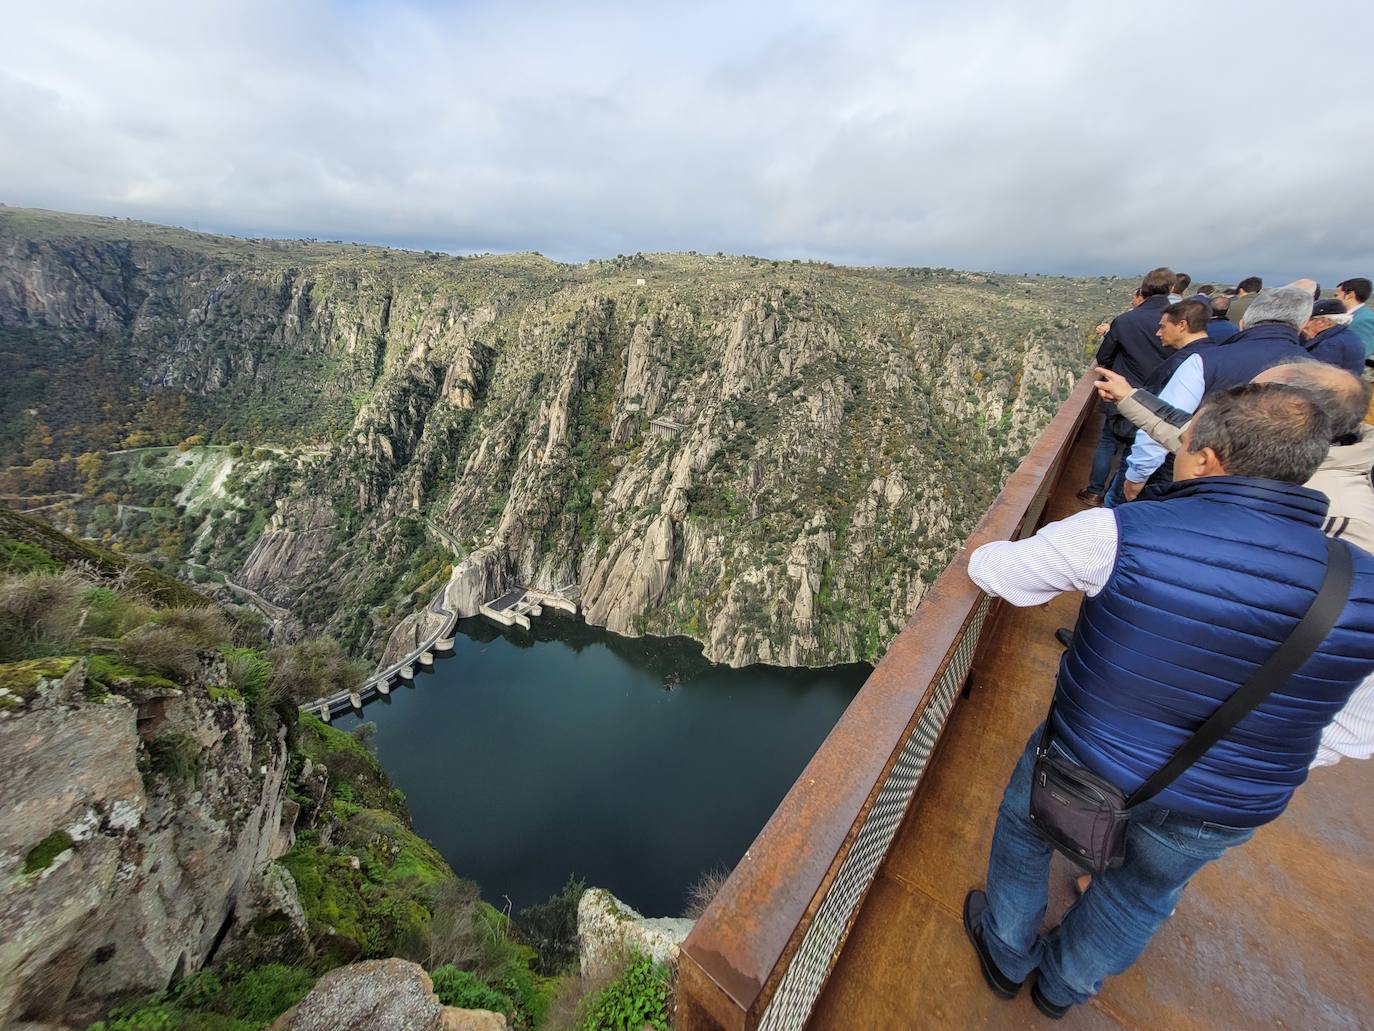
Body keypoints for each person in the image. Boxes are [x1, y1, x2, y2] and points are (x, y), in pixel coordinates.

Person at [963, 383, 1374, 1019]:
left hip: (1087, 760)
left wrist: (985, 542)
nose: (1180, 450)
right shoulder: (1362, 582)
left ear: (1208, 459)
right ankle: (1062, 989)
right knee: (1140, 896)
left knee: (1025, 834)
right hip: (1230, 803)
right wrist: (1250, 761)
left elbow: (998, 573)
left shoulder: (1122, 532)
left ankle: (1005, 952)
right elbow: (1355, 732)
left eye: (1185, 442)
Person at [1117, 285, 1312, 502]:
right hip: (1268, 495)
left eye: (1162, 327)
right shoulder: (1319, 374)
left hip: (1185, 478)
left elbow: (1165, 421)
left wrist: (1136, 477)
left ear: (1243, 323)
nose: (1158, 332)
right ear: (1302, 326)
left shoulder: (1205, 362)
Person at [1078, 269, 1174, 506]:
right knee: (1135, 447)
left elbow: (1104, 356)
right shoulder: (1177, 324)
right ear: (1171, 290)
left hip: (1120, 394)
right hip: (1158, 398)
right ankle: (1116, 497)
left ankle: (1094, 491)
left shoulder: (1126, 320)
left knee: (1108, 442)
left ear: (1142, 290)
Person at [1301, 298, 1365, 375]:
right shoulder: (1349, 335)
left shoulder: (1329, 345)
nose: (1303, 326)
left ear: (1322, 322)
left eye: (1306, 319)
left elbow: (1314, 375)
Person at [1335, 277, 1374, 357]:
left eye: (1336, 295)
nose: (1333, 299)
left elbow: (1361, 353)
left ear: (1349, 295)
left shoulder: (1363, 320)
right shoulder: (1356, 315)